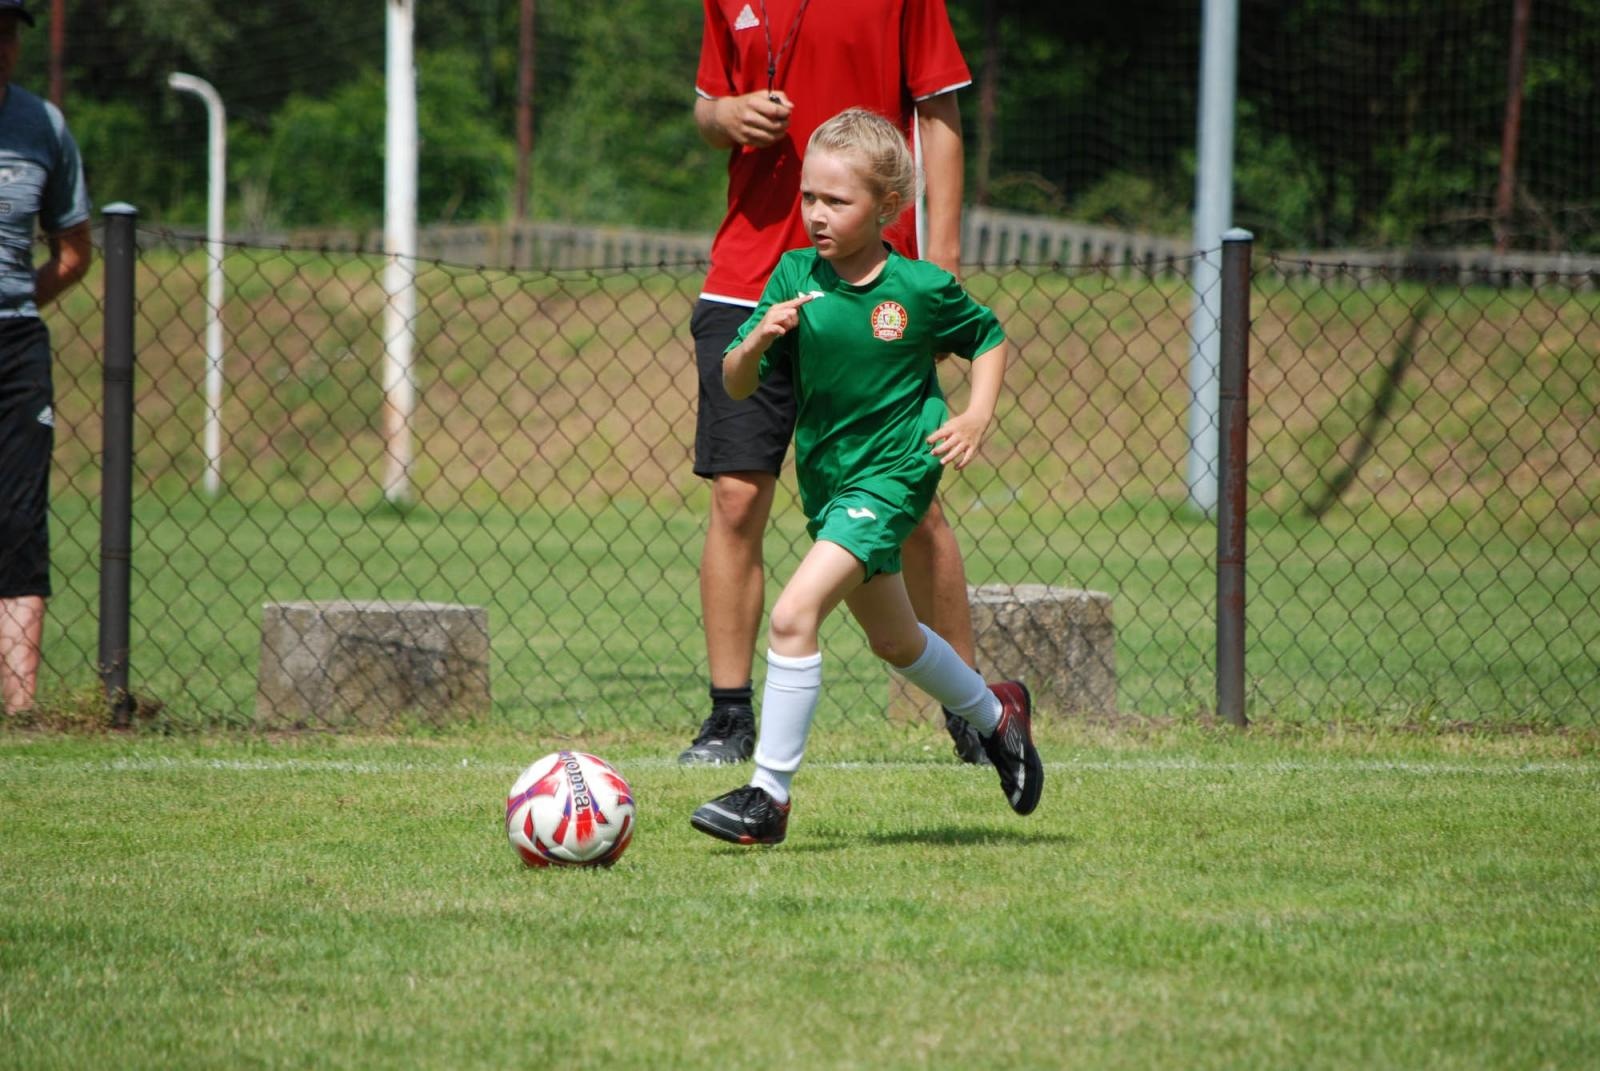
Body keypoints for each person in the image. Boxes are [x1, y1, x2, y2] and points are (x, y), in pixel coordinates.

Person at [689, 109, 1041, 846]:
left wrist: (976, 413)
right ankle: (997, 715)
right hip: (831, 484)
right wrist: (754, 338)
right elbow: (738, 382)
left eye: (836, 201)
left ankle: (767, 797)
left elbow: (988, 335)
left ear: (886, 208)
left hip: (893, 475)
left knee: (793, 615)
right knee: (897, 641)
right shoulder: (793, 275)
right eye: (810, 197)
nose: (817, 213)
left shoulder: (916, 289)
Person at [685, 0, 990, 767]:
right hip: (749, 280)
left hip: (870, 289)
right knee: (736, 495)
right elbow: (704, 108)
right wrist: (727, 113)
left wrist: (943, 256)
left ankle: (973, 712)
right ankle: (728, 717)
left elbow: (940, 109)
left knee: (915, 515)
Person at [0, 0, 92, 716]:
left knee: (20, 515)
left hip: (15, 342)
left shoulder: (44, 127)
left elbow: (72, 252)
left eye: (7, 30)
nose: (0, 44)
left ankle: (21, 707)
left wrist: (17, 298)